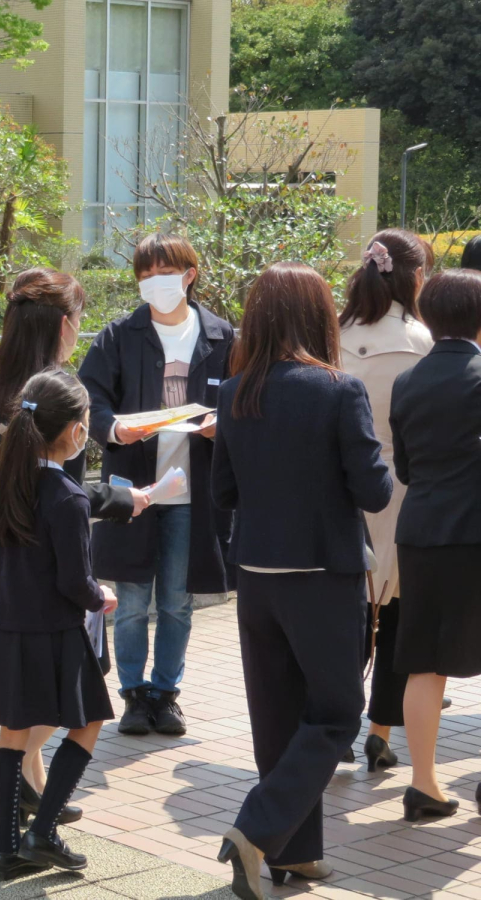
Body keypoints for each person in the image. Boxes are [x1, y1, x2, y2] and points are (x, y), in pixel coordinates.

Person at [211, 262, 391, 900]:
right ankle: (257, 830)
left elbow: (223, 493)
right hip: (321, 576)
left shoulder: (235, 391)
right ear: (319, 317)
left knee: (277, 718)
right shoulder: (339, 390)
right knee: (338, 714)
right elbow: (373, 491)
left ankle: (295, 852)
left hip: (256, 576)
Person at [0, 267, 148, 825]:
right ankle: (29, 795)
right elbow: (62, 492)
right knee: (66, 693)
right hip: (53, 570)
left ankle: (32, 793)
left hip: (8, 558)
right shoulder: (50, 391)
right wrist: (123, 498)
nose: (80, 328)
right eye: (78, 317)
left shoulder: (2, 383)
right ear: (61, 324)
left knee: (28, 697)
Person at [0, 370, 117, 882]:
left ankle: (6, 852)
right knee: (89, 721)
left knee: (12, 735)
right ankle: (43, 831)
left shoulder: (4, 488)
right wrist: (101, 597)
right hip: (51, 632)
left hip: (1, 629)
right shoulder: (68, 497)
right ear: (75, 430)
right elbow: (75, 581)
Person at [79, 233, 235, 736]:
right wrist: (112, 428)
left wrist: (223, 424)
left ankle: (166, 693)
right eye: (144, 275)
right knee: (129, 602)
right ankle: (132, 694)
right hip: (133, 491)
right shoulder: (119, 335)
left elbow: (246, 398)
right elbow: (89, 399)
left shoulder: (221, 336)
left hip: (192, 492)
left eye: (163, 273)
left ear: (189, 275)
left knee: (176, 602)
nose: (153, 283)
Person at [338, 230, 433, 773]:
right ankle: (381, 731)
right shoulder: (422, 339)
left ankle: (337, 726)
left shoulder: (332, 333)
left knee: (346, 613)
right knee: (397, 614)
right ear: (415, 277)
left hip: (342, 489)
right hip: (404, 487)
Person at [389, 268, 481, 822]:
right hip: (475, 533)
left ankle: (423, 785)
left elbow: (404, 467)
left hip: (421, 532)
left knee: (423, 661)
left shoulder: (408, 381)